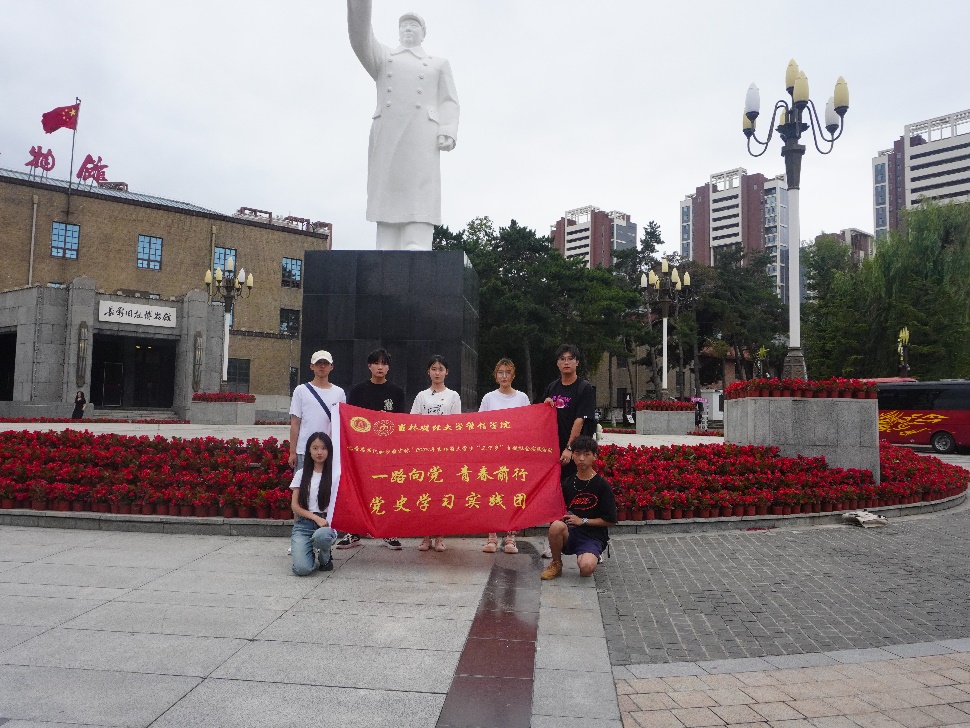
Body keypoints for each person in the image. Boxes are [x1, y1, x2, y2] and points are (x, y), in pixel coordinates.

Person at [347, 0, 460, 251]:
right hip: (388, 134)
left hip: (422, 135)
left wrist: (447, 129)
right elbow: (360, 38)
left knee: (420, 187)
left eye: (413, 25)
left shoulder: (437, 63)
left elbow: (449, 100)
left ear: (423, 33)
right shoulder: (384, 58)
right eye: (404, 25)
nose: (408, 28)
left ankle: (416, 239)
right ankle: (386, 241)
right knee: (387, 187)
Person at [337, 348, 406, 550]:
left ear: (389, 367)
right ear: (369, 366)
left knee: (386, 490)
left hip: (386, 451)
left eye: (384, 363)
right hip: (362, 451)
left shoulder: (396, 392)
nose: (380, 367)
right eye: (376, 363)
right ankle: (353, 532)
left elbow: (400, 423)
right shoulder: (358, 391)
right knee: (358, 489)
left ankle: (387, 532)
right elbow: (351, 421)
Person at [540, 344, 596, 559]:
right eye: (562, 359)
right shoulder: (552, 387)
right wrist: (546, 405)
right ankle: (555, 541)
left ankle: (587, 543)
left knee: (581, 496)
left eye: (570, 358)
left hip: (577, 452)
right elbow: (544, 416)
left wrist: (569, 448)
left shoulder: (584, 388)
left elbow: (580, 420)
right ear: (557, 363)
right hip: (554, 453)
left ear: (577, 362)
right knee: (556, 497)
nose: (566, 362)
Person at [540, 435, 617, 581]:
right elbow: (554, 508)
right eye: (577, 454)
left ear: (594, 456)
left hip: (593, 535)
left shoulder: (602, 485)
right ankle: (556, 563)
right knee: (556, 526)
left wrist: (583, 521)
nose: (581, 458)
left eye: (586, 454)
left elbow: (611, 520)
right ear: (573, 455)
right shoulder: (568, 483)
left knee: (586, 569)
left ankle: (591, 553)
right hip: (571, 532)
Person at [478, 358, 530, 554]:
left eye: (508, 372)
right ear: (495, 375)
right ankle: (492, 537)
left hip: (514, 454)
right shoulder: (489, 398)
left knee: (512, 495)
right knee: (493, 494)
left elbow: (529, 425)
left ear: (513, 375)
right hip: (493, 455)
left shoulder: (522, 398)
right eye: (500, 372)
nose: (504, 376)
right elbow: (481, 425)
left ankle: (510, 537)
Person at [411, 354, 461, 551]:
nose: (437, 372)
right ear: (428, 372)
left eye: (441, 369)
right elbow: (413, 422)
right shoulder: (421, 396)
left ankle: (440, 535)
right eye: (434, 369)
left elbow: (457, 424)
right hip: (425, 451)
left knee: (442, 493)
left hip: (445, 452)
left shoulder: (453, 396)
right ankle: (426, 536)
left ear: (447, 372)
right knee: (425, 493)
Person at [289, 432, 338, 576]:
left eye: (323, 448)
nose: (319, 452)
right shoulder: (301, 474)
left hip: (326, 524)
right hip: (303, 525)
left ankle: (325, 558)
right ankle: (309, 550)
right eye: (315, 448)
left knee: (321, 536)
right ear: (309, 450)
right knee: (302, 569)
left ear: (329, 450)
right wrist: (315, 518)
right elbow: (295, 506)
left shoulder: (335, 475)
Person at [288, 350, 346, 472]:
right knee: (303, 484)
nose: (322, 366)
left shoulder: (339, 393)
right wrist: (292, 452)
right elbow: (295, 423)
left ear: (331, 367)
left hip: (328, 451)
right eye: (319, 363)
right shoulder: (301, 391)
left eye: (326, 363)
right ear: (312, 366)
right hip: (304, 450)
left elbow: (342, 424)